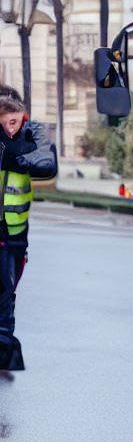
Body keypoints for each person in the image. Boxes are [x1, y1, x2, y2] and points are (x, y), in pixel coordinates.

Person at [0, 93, 58, 371]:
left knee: (9, 289)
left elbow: (47, 165)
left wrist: (16, 157)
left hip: (16, 232)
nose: (10, 128)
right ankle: (3, 344)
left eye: (14, 122)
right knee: (3, 289)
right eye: (5, 123)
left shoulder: (31, 135)